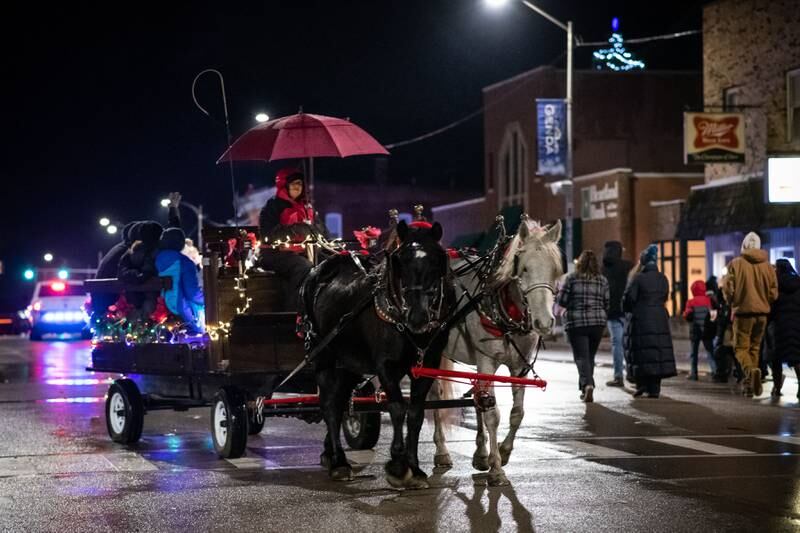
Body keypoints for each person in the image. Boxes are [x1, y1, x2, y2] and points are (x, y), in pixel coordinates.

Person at [722, 232, 778, 397]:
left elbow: (728, 288)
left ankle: (751, 371)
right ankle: (750, 384)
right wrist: (764, 302)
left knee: (740, 348)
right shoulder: (768, 266)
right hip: (762, 314)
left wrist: (731, 302)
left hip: (743, 313)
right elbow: (774, 293)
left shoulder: (736, 264)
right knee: (754, 348)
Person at [258, 168, 319, 310]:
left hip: (303, 251)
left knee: (330, 263)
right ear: (284, 186)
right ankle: (294, 311)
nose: (297, 187)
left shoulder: (307, 207)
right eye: (293, 184)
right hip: (274, 253)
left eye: (300, 183)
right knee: (303, 267)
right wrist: (294, 229)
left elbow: (321, 231)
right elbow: (268, 235)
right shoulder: (272, 206)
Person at [623, 244, 676, 398]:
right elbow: (666, 297)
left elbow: (629, 299)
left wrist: (628, 308)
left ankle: (642, 384)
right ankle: (655, 388)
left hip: (641, 317)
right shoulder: (663, 278)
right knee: (656, 351)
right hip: (659, 317)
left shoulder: (638, 279)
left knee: (642, 352)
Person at [557, 250, 609, 402]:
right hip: (597, 323)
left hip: (577, 322)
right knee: (589, 356)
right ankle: (585, 387)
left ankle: (587, 384)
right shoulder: (602, 280)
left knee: (581, 356)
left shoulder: (572, 278)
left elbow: (562, 301)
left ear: (579, 262)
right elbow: (607, 303)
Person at [156, 227, 205, 333]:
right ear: (181, 243)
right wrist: (208, 300)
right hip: (181, 307)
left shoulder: (158, 259)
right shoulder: (184, 261)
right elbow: (192, 293)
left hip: (162, 304)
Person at [602, 241, 633, 387]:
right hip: (628, 311)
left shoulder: (603, 269)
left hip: (612, 313)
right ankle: (632, 373)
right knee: (630, 343)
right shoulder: (628, 266)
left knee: (617, 344)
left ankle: (618, 375)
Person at [769, 259, 800, 399]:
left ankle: (777, 387)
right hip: (797, 325)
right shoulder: (798, 283)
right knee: (796, 357)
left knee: (776, 358)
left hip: (780, 325)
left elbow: (772, 306)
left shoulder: (776, 285)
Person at [682, 280, 717, 380]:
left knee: (694, 353)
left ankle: (694, 374)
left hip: (695, 330)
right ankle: (715, 371)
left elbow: (687, 315)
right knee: (710, 352)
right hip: (706, 331)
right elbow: (713, 315)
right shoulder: (708, 300)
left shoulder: (691, 302)